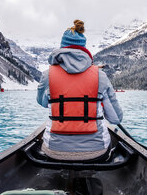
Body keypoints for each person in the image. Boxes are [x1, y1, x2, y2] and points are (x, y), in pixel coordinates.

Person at [37, 20, 123, 161]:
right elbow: (115, 119)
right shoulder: (100, 76)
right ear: (84, 48)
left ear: (62, 47)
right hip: (97, 152)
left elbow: (42, 102)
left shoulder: (47, 75)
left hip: (54, 151)